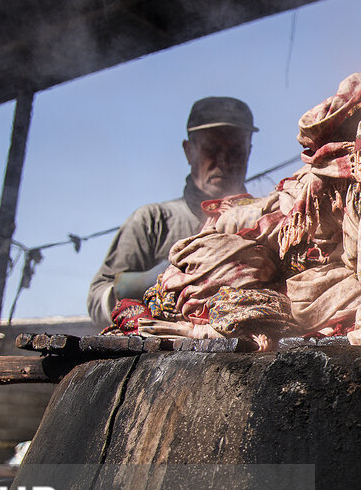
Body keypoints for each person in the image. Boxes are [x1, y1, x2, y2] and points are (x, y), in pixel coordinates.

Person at [87, 97, 257, 327]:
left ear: (249, 152)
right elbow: (98, 293)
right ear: (189, 151)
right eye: (212, 149)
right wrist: (150, 290)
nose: (224, 162)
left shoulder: (270, 222)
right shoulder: (153, 221)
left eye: (236, 151)